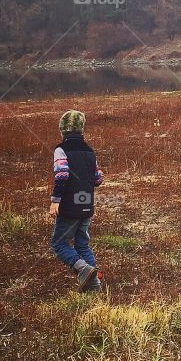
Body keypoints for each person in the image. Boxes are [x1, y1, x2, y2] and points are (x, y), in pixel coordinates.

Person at [49, 109, 103, 291]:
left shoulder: (61, 150)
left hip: (69, 204)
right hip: (86, 202)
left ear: (62, 129)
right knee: (82, 244)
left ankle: (83, 269)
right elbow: (98, 179)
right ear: (81, 129)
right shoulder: (90, 151)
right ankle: (95, 286)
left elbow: (62, 174)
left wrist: (55, 201)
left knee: (58, 243)